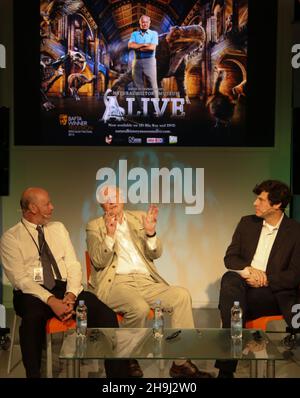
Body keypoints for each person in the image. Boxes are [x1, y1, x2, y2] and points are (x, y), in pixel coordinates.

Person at [0, 187, 130, 378]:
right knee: (32, 321)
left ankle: (118, 381)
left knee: (106, 315)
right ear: (33, 208)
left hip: (64, 288)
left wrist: (70, 295)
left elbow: (73, 265)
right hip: (32, 293)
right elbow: (20, 279)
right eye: (47, 204)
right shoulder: (11, 237)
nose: (52, 207)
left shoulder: (58, 228)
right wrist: (51, 301)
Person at [86, 185, 213, 378]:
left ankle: (180, 362)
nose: (111, 201)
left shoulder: (137, 217)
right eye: (106, 198)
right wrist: (110, 235)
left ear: (122, 198)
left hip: (146, 280)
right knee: (138, 308)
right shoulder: (94, 226)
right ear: (101, 204)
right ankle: (127, 360)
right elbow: (98, 260)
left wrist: (151, 233)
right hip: (116, 282)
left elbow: (155, 253)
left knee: (181, 296)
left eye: (115, 196)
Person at [215, 180, 300, 378]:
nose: (255, 203)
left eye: (261, 200)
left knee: (232, 307)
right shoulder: (247, 223)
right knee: (230, 279)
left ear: (277, 205)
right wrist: (248, 270)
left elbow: (295, 275)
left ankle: (226, 370)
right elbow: (230, 258)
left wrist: (265, 279)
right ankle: (231, 361)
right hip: (244, 285)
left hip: (272, 293)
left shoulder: (295, 231)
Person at [128, 15, 159, 105]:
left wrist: (137, 46)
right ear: (140, 23)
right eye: (142, 22)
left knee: (153, 85)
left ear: (149, 23)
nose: (144, 24)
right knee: (137, 86)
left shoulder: (154, 34)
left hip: (150, 61)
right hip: (136, 61)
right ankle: (142, 108)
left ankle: (155, 109)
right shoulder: (134, 34)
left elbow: (152, 48)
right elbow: (130, 45)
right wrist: (145, 44)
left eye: (146, 22)